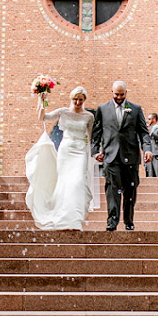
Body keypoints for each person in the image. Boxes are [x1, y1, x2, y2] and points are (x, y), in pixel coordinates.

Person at [25, 87, 95, 230]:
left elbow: (91, 136)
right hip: (66, 150)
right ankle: (64, 216)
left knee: (77, 182)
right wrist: (41, 100)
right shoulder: (63, 111)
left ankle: (75, 218)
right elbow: (43, 117)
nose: (77, 102)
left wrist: (93, 152)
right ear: (71, 99)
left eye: (80, 99)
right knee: (65, 183)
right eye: (75, 99)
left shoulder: (89, 116)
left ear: (84, 100)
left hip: (81, 150)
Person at [91, 81, 153, 231]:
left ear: (126, 93)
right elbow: (96, 133)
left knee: (130, 189)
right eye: (116, 94)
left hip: (130, 155)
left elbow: (143, 132)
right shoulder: (103, 109)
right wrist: (95, 152)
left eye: (122, 94)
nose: (119, 97)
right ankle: (112, 221)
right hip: (111, 156)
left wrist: (147, 149)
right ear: (111, 92)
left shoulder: (135, 109)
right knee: (112, 189)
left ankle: (129, 220)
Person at [146, 113, 158, 178]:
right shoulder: (147, 128)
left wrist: (151, 133)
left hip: (157, 153)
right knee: (149, 174)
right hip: (149, 153)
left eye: (149, 119)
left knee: (157, 174)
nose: (148, 121)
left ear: (154, 119)